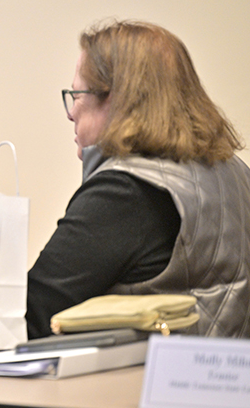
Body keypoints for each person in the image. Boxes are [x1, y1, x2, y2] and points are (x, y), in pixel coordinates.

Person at [26, 20, 250, 339]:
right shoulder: (236, 174)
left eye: (77, 94)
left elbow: (33, 314)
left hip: (139, 386)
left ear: (117, 100)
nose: (70, 112)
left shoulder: (125, 192)